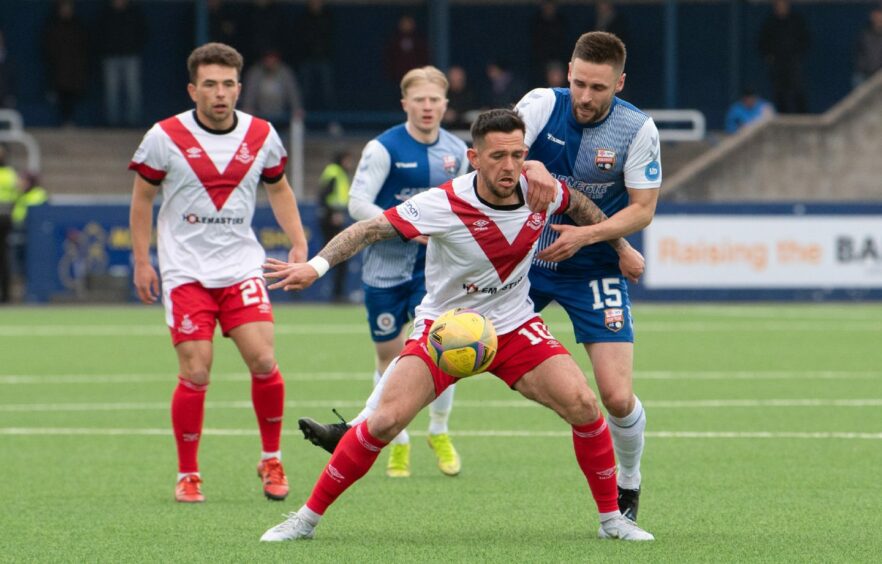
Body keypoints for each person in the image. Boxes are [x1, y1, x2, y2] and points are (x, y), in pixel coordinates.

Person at [259, 108, 653, 542]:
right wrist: (316, 267)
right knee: (384, 422)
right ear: (474, 157)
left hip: (514, 325)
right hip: (444, 330)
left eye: (518, 154)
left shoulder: (543, 190)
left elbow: (580, 204)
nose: (509, 166)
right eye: (498, 156)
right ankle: (305, 520)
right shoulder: (443, 202)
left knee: (584, 404)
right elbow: (369, 230)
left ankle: (612, 519)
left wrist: (620, 247)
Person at [128, 42, 308, 503]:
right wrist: (142, 260)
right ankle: (188, 474)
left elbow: (280, 188)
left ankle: (272, 459)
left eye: (228, 84)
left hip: (240, 268)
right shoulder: (164, 137)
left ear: (239, 88)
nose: (220, 93)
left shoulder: (262, 134)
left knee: (265, 362)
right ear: (193, 89)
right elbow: (143, 198)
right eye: (210, 84)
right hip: (186, 272)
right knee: (197, 372)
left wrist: (300, 241)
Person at [514, 31, 662, 524]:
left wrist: (591, 237)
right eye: (578, 83)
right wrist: (524, 159)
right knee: (444, 336)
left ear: (619, 83)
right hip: (526, 264)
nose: (584, 97)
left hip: (593, 266)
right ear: (568, 73)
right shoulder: (540, 104)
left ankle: (630, 480)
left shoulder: (637, 130)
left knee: (617, 396)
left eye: (598, 88)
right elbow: (500, 152)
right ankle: (366, 424)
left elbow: (642, 211)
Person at [299, 66, 469, 479]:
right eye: (420, 100)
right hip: (385, 269)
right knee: (389, 357)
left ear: (445, 105)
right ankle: (399, 438)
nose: (428, 107)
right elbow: (358, 203)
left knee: (452, 346)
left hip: (437, 270)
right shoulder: (383, 148)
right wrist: (409, 227)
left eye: (435, 100)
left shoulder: (459, 151)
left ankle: (439, 431)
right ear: (405, 104)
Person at [97, 0, 148, 126]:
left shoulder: (134, 12)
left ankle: (133, 121)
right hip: (111, 56)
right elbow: (100, 33)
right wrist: (106, 48)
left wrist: (135, 47)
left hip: (130, 56)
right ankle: (112, 122)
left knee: (132, 90)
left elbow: (143, 31)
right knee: (111, 91)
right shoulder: (106, 13)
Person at [758, 0, 810, 114]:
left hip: (793, 62)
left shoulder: (796, 21)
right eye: (778, 5)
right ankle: (782, 116)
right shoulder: (770, 23)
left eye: (783, 5)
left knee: (797, 89)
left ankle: (803, 115)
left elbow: (805, 38)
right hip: (777, 63)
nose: (781, 8)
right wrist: (769, 57)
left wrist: (798, 54)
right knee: (779, 92)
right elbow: (762, 42)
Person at [42, 0, 89, 126]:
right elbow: (49, 46)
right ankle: (61, 122)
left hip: (74, 69)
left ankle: (71, 121)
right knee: (60, 95)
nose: (66, 11)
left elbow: (83, 45)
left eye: (68, 8)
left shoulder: (78, 25)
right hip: (59, 69)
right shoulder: (53, 25)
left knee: (72, 95)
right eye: (64, 8)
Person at [317, 150, 352, 302]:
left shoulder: (337, 172)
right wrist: (332, 213)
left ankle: (337, 292)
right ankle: (337, 294)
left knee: (338, 257)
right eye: (347, 159)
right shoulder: (335, 172)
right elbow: (324, 195)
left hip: (333, 216)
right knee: (338, 256)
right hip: (331, 218)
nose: (349, 163)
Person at [241, 50, 303, 127]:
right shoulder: (255, 73)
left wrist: (296, 108)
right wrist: (248, 108)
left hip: (282, 114)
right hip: (260, 115)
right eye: (268, 58)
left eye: (273, 58)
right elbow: (249, 95)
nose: (270, 61)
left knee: (297, 118)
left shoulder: (285, 72)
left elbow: (293, 93)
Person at [293, 0, 336, 110]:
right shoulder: (303, 18)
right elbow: (299, 40)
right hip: (307, 59)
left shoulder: (328, 17)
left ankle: (331, 121)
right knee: (304, 91)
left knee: (328, 92)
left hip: (324, 58)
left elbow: (331, 39)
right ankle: (301, 120)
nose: (315, 3)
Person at [0, 144, 19, 303]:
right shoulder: (11, 174)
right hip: (6, 217)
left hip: (4, 219)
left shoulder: (10, 174)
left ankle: (5, 295)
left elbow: (16, 196)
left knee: (4, 257)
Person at [853, 6, 882, 87]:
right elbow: (859, 54)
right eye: (876, 16)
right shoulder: (864, 34)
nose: (879, 19)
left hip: (879, 76)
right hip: (864, 74)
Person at [442, 65, 477, 130]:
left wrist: (456, 115)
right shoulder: (444, 93)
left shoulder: (472, 93)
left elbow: (474, 110)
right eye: (453, 77)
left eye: (458, 77)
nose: (456, 79)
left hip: (468, 129)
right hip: (449, 129)